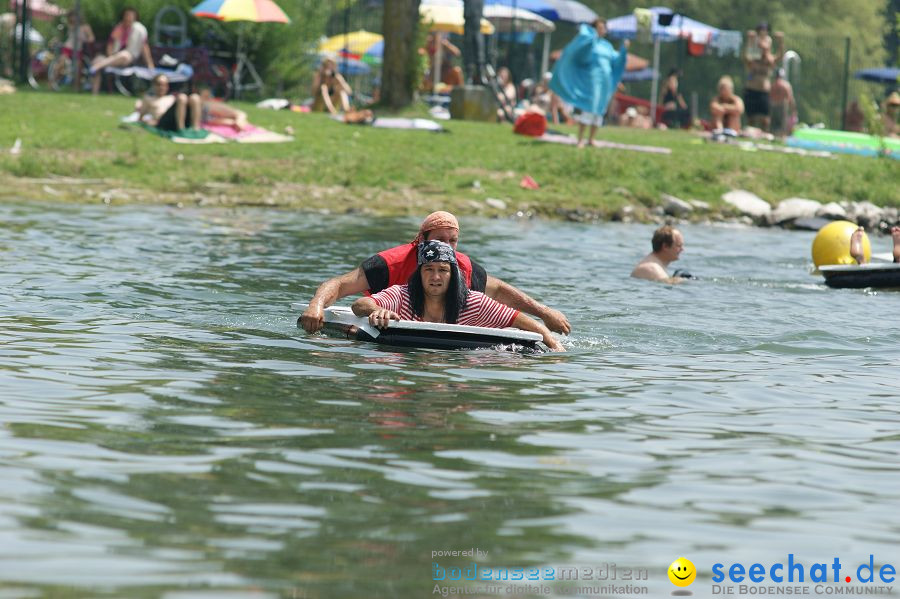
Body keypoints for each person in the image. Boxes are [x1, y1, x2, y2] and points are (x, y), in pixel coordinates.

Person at [301, 211, 571, 336]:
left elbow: (500, 293)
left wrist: (545, 314)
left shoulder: (462, 266)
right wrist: (316, 306)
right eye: (439, 239)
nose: (445, 247)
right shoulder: (389, 264)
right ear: (421, 239)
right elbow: (340, 285)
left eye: (452, 241)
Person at [351, 240, 565, 352]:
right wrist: (376, 310)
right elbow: (360, 304)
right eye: (428, 269)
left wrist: (556, 348)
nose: (436, 277)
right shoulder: (402, 295)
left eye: (443, 270)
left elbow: (524, 322)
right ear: (419, 274)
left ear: (453, 275)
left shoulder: (473, 302)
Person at [550, 17, 629, 148]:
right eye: (600, 28)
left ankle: (591, 139)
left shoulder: (607, 46)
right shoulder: (589, 43)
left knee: (599, 109)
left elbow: (616, 61)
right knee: (589, 108)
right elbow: (581, 55)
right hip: (592, 79)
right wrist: (589, 37)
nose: (603, 30)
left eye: (604, 28)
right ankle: (580, 139)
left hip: (606, 81)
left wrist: (624, 49)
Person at [90, 7, 153, 95]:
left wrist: (150, 64)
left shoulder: (140, 30)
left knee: (124, 55)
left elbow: (144, 48)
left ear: (135, 17)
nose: (128, 17)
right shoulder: (118, 28)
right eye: (126, 15)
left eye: (131, 15)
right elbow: (110, 45)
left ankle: (98, 66)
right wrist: (110, 55)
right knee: (96, 60)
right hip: (112, 57)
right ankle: (94, 94)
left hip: (128, 58)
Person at [741, 22, 784, 131]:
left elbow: (779, 57)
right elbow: (746, 57)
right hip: (751, 89)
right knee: (751, 118)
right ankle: (750, 136)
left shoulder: (769, 60)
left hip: (764, 91)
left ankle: (764, 136)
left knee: (765, 119)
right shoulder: (753, 57)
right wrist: (749, 41)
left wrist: (780, 42)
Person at [769, 68, 796, 137]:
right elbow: (790, 98)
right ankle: (781, 137)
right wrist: (793, 110)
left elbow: (770, 97)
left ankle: (773, 137)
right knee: (782, 125)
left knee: (773, 125)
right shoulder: (786, 85)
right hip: (782, 106)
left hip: (773, 105)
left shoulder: (772, 85)